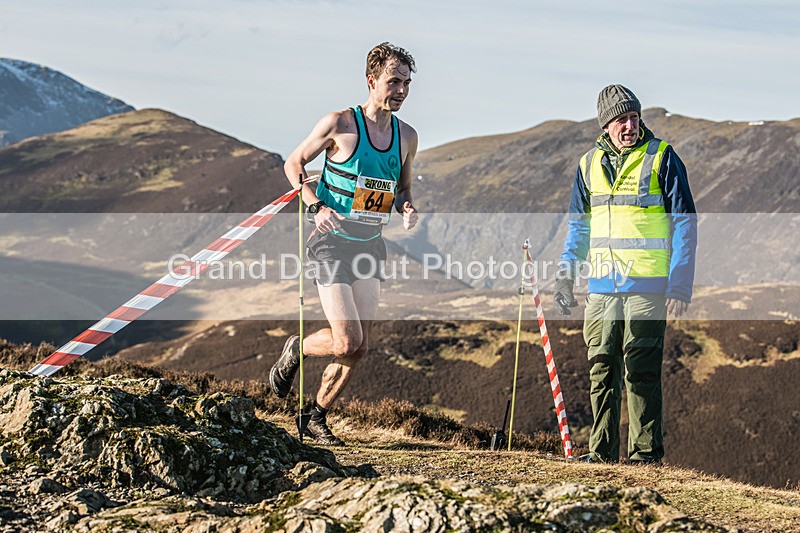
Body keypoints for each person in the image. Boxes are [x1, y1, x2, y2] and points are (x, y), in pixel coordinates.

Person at [268, 42, 419, 446]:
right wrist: (315, 205)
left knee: (358, 348)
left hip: (370, 245)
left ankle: (314, 417)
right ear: (371, 80)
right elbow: (294, 163)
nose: (401, 90)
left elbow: (403, 188)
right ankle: (298, 349)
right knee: (346, 340)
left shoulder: (407, 136)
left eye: (406, 83)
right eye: (393, 81)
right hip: (331, 243)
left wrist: (407, 207)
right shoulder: (340, 123)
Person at [556, 84, 697, 464]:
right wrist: (565, 275)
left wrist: (679, 284)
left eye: (634, 117)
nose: (630, 126)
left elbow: (685, 223)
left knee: (640, 370)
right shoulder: (587, 165)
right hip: (601, 288)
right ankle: (601, 454)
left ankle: (645, 457)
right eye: (621, 119)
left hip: (648, 286)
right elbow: (579, 228)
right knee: (601, 370)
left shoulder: (662, 157)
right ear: (605, 125)